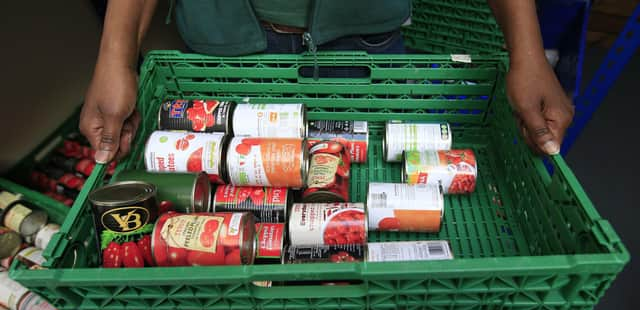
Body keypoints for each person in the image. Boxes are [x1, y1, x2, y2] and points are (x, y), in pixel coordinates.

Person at [80, 0, 574, 163]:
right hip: (226, 48)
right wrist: (114, 57)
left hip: (364, 44)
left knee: (360, 174)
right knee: (240, 187)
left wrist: (527, 51)